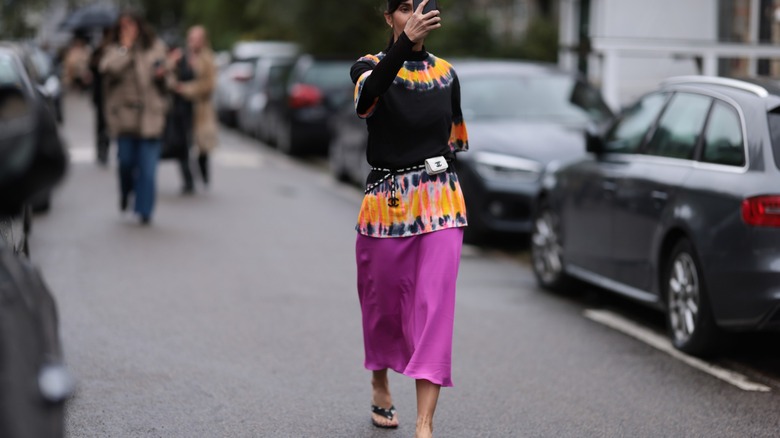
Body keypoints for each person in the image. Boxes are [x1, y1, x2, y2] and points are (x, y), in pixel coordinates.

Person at [350, 1, 468, 436]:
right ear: (389, 18)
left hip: (441, 202)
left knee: (435, 308)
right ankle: (380, 379)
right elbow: (368, 98)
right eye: (403, 8)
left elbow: (454, 142)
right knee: (382, 307)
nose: (414, 14)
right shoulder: (368, 66)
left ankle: (424, 425)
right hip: (387, 204)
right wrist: (404, 44)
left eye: (420, 5)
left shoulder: (447, 74)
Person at [99, 11, 169, 225]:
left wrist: (163, 74)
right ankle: (126, 191)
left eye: (131, 26)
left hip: (150, 116)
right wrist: (126, 48)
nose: (127, 30)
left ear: (139, 27)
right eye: (123, 26)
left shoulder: (155, 47)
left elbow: (168, 75)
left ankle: (144, 211)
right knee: (126, 163)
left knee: (148, 170)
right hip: (124, 118)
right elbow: (108, 68)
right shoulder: (114, 49)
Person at [168, 25, 218, 191]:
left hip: (200, 109)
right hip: (181, 108)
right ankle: (188, 181)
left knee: (202, 147)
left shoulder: (207, 58)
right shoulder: (180, 55)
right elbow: (169, 77)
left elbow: (209, 85)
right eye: (191, 38)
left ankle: (203, 176)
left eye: (197, 39)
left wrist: (186, 89)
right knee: (181, 144)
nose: (193, 42)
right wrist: (172, 62)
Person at [89, 27, 113, 165]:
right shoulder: (98, 50)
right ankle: (101, 150)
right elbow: (92, 67)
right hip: (101, 94)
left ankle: (106, 148)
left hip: (112, 94)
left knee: (110, 124)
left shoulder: (116, 50)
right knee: (101, 124)